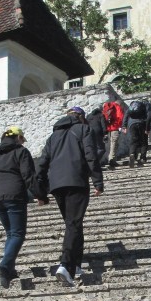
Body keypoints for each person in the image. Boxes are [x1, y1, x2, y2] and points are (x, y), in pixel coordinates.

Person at [35, 107, 104, 287]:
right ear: (80, 117)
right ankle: (65, 265)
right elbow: (91, 155)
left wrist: (40, 192)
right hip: (77, 182)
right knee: (73, 223)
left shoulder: (53, 137)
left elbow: (42, 164)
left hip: (57, 185)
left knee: (73, 223)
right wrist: (98, 181)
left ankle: (76, 265)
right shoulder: (83, 129)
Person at [0, 126, 37, 289]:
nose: (22, 142)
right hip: (15, 196)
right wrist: (39, 194)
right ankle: (5, 265)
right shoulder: (21, 152)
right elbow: (28, 175)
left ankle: (9, 271)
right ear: (18, 138)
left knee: (10, 234)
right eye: (22, 139)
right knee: (18, 233)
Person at [122, 97, 150, 167]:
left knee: (133, 141)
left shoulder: (132, 106)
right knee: (144, 141)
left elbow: (126, 115)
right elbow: (149, 116)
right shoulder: (145, 105)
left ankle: (132, 154)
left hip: (132, 124)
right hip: (142, 123)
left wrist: (124, 126)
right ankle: (143, 158)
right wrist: (148, 127)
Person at [103, 98, 124, 169]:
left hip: (108, 128)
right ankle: (112, 160)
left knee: (110, 144)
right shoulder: (117, 107)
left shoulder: (108, 106)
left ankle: (110, 158)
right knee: (114, 144)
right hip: (115, 128)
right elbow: (120, 117)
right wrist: (120, 126)